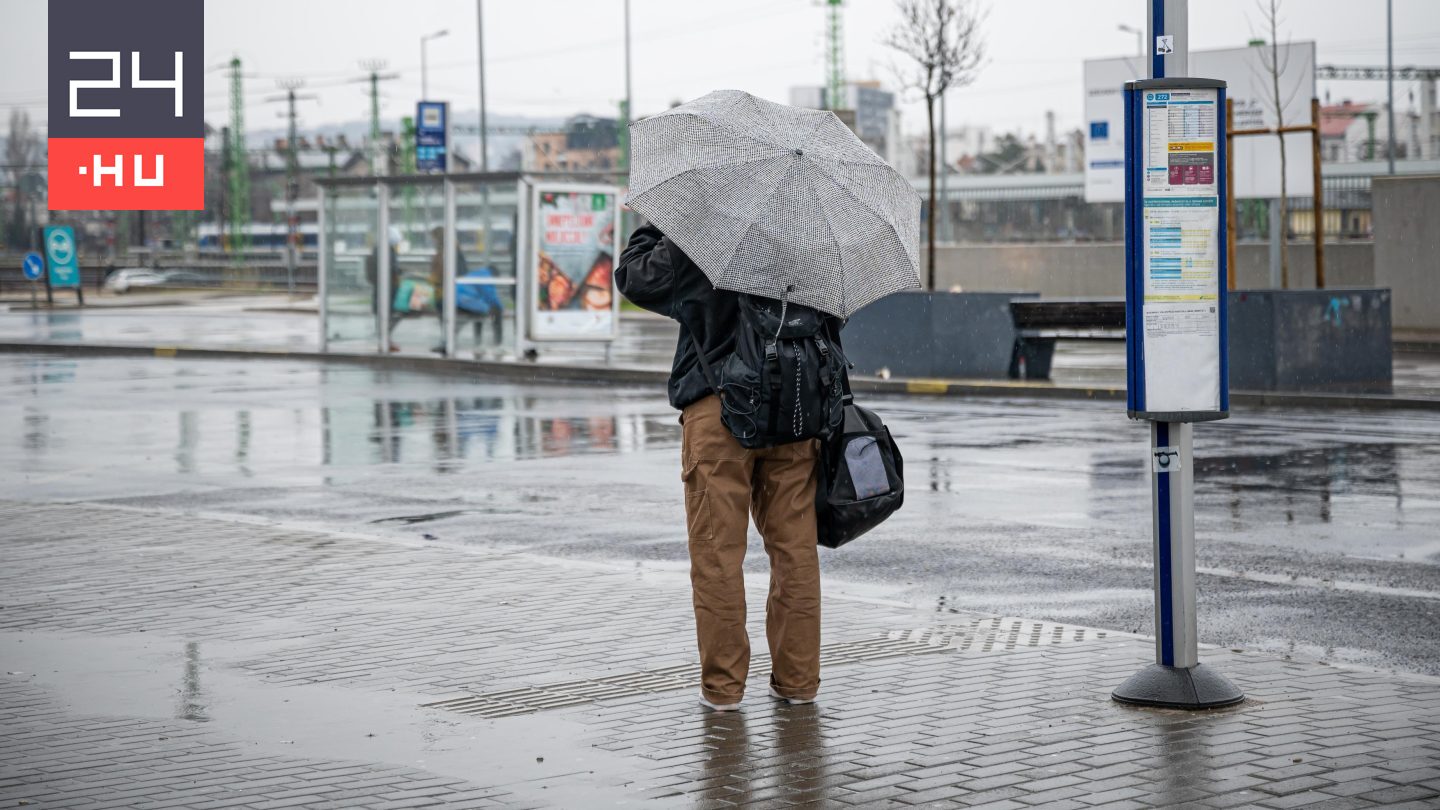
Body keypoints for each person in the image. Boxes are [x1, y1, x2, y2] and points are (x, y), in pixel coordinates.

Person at [616, 224, 827, 712]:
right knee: (795, 551)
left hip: (719, 407)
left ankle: (724, 689)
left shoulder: (709, 230)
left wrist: (657, 222)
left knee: (717, 555)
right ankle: (798, 683)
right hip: (796, 408)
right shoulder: (810, 239)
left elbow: (635, 279)